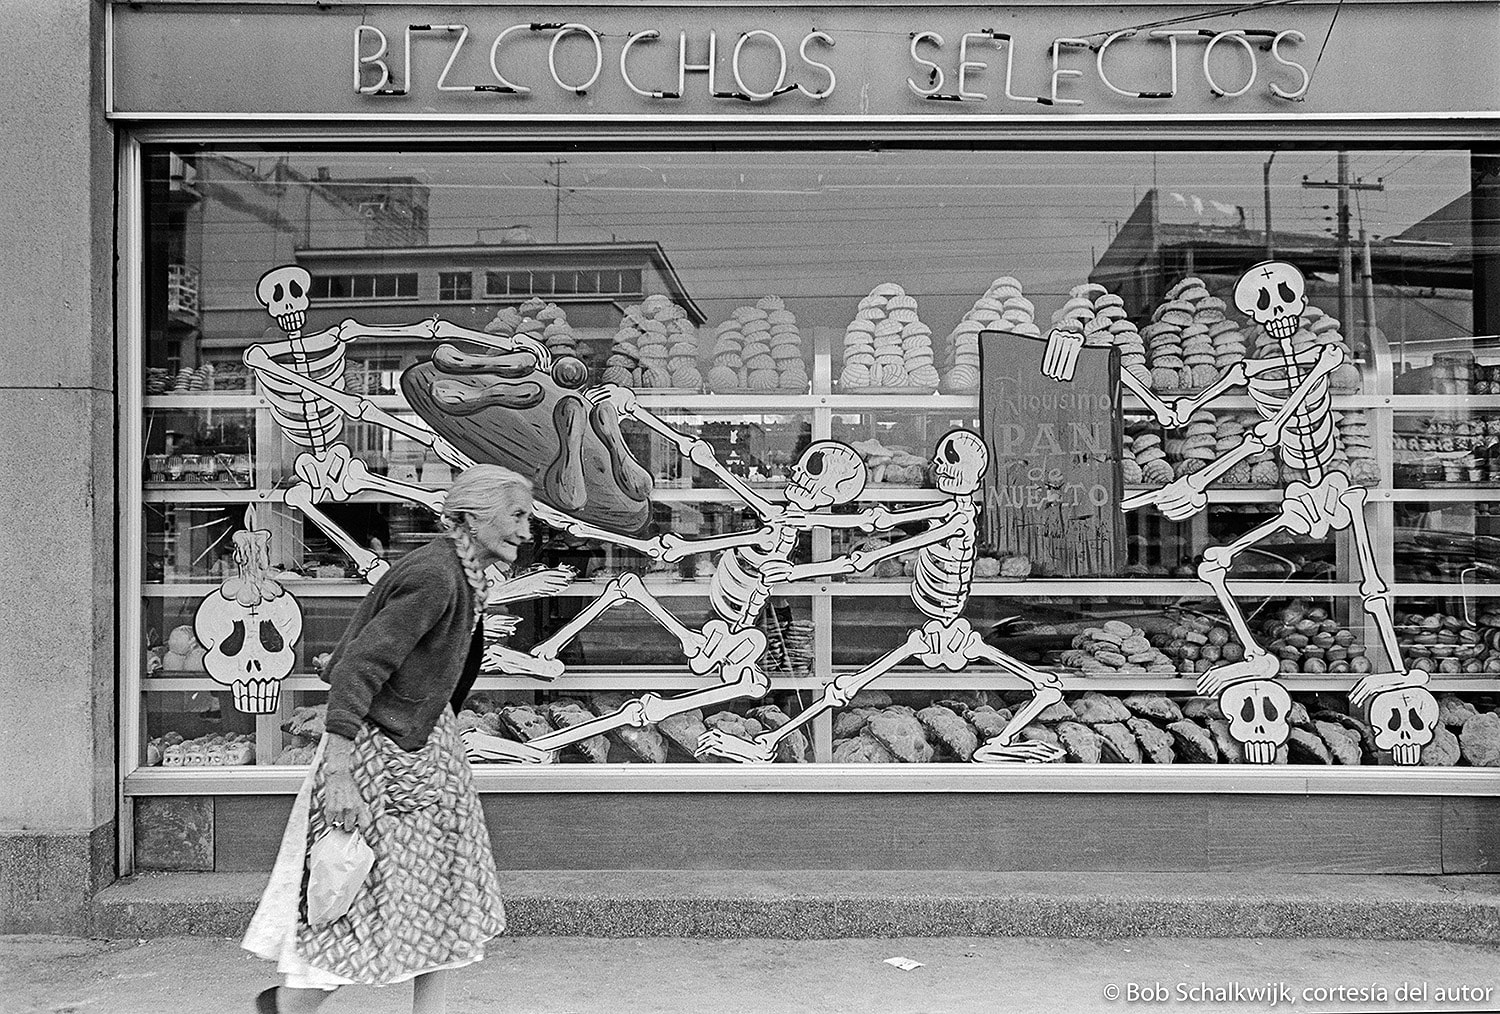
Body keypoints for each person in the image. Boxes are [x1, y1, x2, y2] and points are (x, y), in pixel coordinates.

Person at [243, 464, 539, 1014]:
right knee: (359, 898)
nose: (528, 529)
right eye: (517, 515)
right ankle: (289, 1005)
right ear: (474, 519)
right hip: (381, 759)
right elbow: (359, 667)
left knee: (440, 901)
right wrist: (338, 771)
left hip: (422, 753)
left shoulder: (465, 573)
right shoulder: (436, 576)